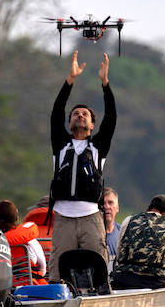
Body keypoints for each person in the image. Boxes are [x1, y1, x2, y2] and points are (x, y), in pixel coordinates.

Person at [46, 50, 116, 281]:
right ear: (69, 122)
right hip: (63, 218)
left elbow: (112, 118)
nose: (79, 115)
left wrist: (105, 83)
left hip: (91, 218)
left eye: (85, 114)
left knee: (98, 266)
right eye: (75, 114)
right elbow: (56, 112)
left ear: (92, 125)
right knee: (58, 268)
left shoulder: (97, 147)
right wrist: (70, 80)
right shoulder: (61, 145)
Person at [111, 194, 165, 289]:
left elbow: (119, 252)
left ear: (149, 208)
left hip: (123, 280)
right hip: (155, 283)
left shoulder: (128, 221)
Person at [0, 199, 48, 286]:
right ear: (16, 218)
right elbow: (43, 268)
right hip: (28, 287)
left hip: (1, 287)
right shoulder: (29, 240)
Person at [102, 187, 120, 271]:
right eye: (103, 203)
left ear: (117, 208)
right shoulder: (89, 235)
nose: (106, 207)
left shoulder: (123, 233)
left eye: (110, 203)